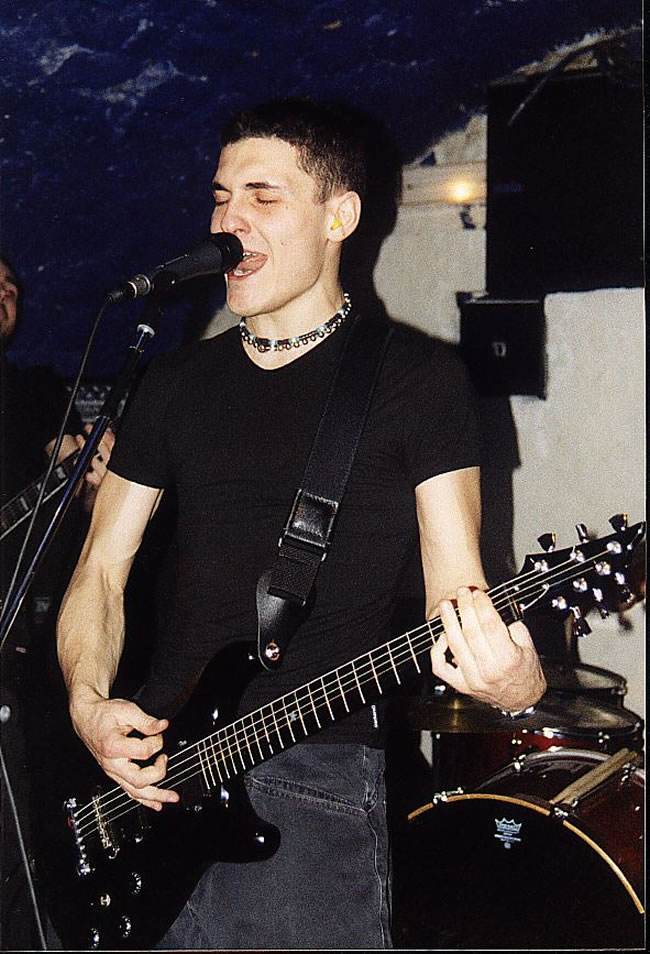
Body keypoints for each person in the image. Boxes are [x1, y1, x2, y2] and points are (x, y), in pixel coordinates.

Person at [56, 99, 546, 950]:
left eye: (263, 196)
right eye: (220, 196)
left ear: (338, 217)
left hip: (312, 785)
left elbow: (459, 599)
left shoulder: (416, 382)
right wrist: (87, 702)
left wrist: (516, 684)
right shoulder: (172, 384)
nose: (228, 220)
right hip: (149, 778)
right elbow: (101, 567)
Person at [0, 254, 114, 950]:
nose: (4, 293)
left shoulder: (34, 390)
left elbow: (78, 466)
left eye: (11, 286)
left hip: (19, 649)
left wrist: (96, 479)